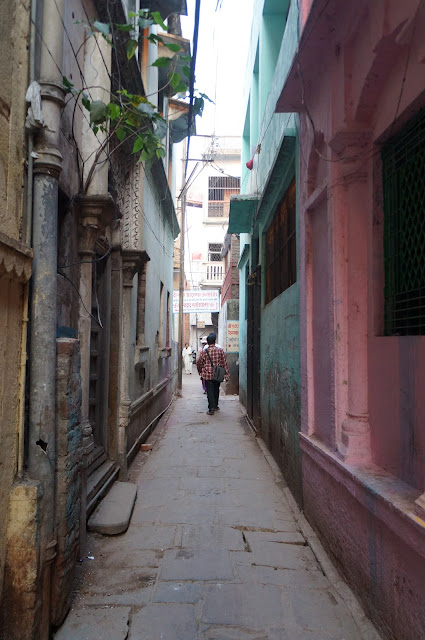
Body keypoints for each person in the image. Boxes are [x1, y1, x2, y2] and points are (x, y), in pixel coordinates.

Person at [197, 332, 229, 415]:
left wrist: (200, 371)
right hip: (217, 374)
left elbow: (200, 362)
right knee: (216, 389)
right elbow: (224, 363)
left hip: (207, 374)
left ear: (207, 342)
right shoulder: (220, 351)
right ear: (215, 341)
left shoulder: (204, 352)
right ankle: (216, 405)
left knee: (209, 391)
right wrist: (226, 373)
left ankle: (211, 408)